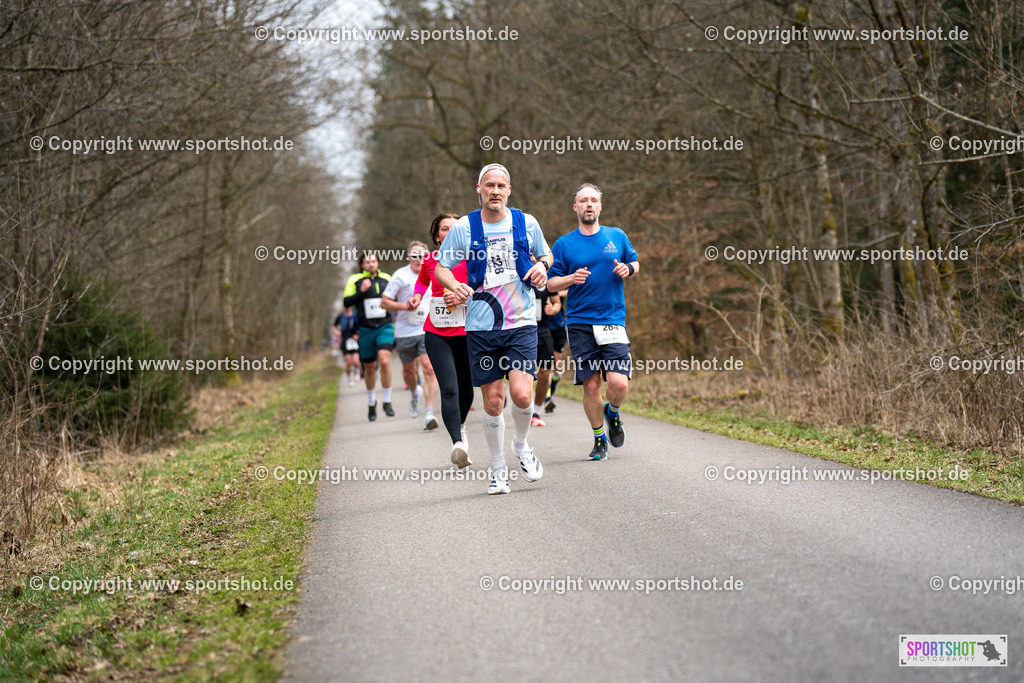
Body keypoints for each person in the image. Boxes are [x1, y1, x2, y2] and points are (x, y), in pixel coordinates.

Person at [434, 164, 551, 494]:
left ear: (509, 190)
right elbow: (441, 267)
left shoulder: (525, 223)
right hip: (482, 326)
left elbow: (546, 254)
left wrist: (541, 267)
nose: (495, 191)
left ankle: (522, 445)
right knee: (494, 403)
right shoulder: (464, 227)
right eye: (489, 186)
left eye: (501, 185)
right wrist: (454, 285)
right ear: (479, 189)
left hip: (522, 322)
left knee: (523, 394)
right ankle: (498, 468)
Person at [547, 183, 640, 460]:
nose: (588, 204)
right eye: (583, 201)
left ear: (600, 206)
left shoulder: (617, 236)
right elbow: (551, 284)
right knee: (591, 385)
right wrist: (570, 279)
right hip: (579, 321)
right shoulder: (564, 244)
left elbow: (635, 262)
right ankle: (599, 439)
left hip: (612, 318)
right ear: (575, 207)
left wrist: (629, 269)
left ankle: (613, 413)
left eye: (593, 200)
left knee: (619, 383)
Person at [407, 214, 474, 466]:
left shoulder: (473, 259)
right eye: (445, 229)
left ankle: (461, 426)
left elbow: (485, 288)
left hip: (469, 331)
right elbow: (422, 282)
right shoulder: (430, 259)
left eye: (454, 229)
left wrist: (463, 297)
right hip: (437, 331)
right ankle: (457, 442)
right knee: (449, 388)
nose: (449, 232)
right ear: (437, 236)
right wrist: (416, 297)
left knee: (467, 388)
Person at [382, 241, 439, 430]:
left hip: (427, 328)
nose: (418, 259)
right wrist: (403, 306)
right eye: (414, 255)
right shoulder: (400, 275)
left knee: (429, 368)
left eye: (422, 255)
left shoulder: (435, 272)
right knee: (409, 373)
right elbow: (384, 302)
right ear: (408, 257)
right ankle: (415, 393)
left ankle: (429, 413)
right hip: (405, 331)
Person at [342, 252, 395, 421]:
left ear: (378, 262)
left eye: (373, 261)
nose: (371, 264)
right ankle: (372, 403)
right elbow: (346, 303)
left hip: (385, 326)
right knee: (370, 368)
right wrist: (362, 291)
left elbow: (396, 296)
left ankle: (387, 401)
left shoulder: (387, 278)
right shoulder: (355, 280)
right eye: (367, 262)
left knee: (385, 361)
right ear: (362, 264)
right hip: (365, 329)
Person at [531, 278, 562, 427]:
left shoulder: (545, 281)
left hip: (542, 329)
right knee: (522, 372)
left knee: (544, 371)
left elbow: (557, 302)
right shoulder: (514, 277)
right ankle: (522, 406)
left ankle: (536, 412)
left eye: (534, 256)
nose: (532, 258)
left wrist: (554, 309)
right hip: (520, 330)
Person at [544, 301, 568, 413]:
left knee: (557, 364)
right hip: (545, 326)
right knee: (548, 363)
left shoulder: (559, 284)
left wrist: (557, 291)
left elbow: (570, 289)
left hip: (559, 325)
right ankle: (547, 397)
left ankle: (555, 380)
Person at [333, 307, 361, 386]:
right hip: (345, 340)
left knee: (356, 360)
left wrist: (358, 335)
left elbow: (360, 326)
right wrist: (337, 332)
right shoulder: (341, 316)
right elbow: (334, 327)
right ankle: (349, 378)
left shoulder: (355, 315)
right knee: (348, 362)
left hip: (354, 340)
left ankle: (357, 371)